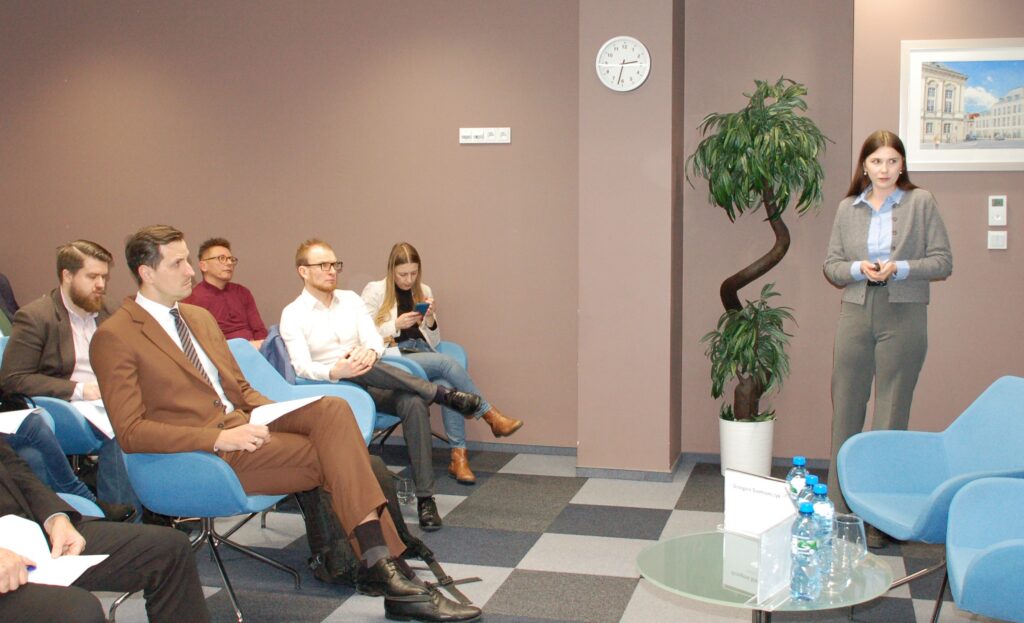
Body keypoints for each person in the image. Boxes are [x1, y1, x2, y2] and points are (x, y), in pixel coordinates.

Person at [90, 225, 479, 622]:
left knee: (331, 410)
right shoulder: (116, 336)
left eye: (188, 259)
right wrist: (218, 438)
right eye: (178, 263)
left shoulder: (198, 318)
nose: (191, 270)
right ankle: (392, 574)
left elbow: (241, 390)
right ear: (146, 272)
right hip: (207, 452)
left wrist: (284, 416)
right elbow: (131, 432)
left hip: (247, 422)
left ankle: (384, 570)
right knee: (343, 458)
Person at [280, 239, 483, 530]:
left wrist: (371, 352)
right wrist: (335, 371)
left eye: (335, 264)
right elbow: (301, 366)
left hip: (371, 378)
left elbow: (374, 339)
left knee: (412, 402)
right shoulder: (293, 313)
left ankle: (426, 498)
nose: (332, 271)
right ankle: (440, 393)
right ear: (303, 271)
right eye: (323, 265)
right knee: (353, 365)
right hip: (334, 392)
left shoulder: (350, 300)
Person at [823, 130, 952, 546]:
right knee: (845, 409)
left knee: (890, 416)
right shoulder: (847, 208)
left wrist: (901, 268)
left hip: (904, 312)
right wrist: (858, 268)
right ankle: (839, 511)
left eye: (892, 161)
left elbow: (943, 262)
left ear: (902, 165)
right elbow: (832, 265)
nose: (884, 169)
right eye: (876, 161)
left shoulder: (921, 202)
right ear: (864, 165)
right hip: (856, 309)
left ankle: (879, 520)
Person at [362, 242, 523, 485]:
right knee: (447, 365)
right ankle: (489, 414)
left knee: (448, 385)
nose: (408, 280)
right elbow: (362, 333)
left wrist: (429, 320)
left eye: (413, 273)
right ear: (391, 270)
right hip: (396, 357)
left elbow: (434, 341)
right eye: (403, 274)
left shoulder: (423, 290)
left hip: (423, 352)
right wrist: (396, 325)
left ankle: (459, 458)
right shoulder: (375, 291)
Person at [0, 437, 210, 622]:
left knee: (169, 548)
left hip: (22, 533)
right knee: (79, 610)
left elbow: (11, 465)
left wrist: (54, 516)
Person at [0, 241, 137, 520]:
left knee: (146, 415)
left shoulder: (111, 310)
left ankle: (155, 511)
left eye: (104, 277)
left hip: (107, 398)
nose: (101, 285)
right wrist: (80, 390)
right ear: (67, 275)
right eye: (92, 277)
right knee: (122, 427)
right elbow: (13, 380)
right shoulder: (36, 317)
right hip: (64, 405)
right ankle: (122, 522)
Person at [183, 237, 268, 348]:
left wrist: (263, 346)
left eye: (231, 259)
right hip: (222, 352)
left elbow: (259, 330)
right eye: (222, 258)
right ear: (203, 266)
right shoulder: (191, 299)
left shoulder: (242, 292)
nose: (229, 263)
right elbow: (200, 342)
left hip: (254, 350)